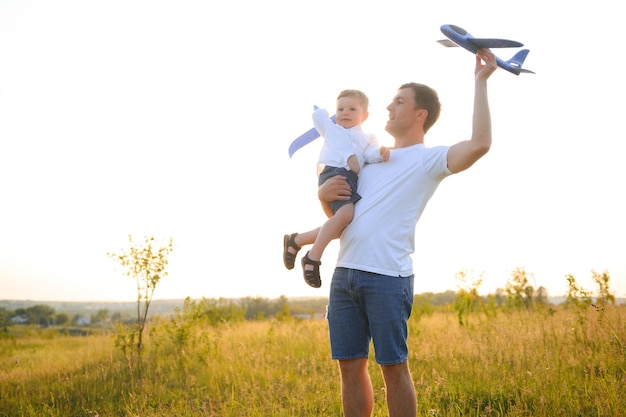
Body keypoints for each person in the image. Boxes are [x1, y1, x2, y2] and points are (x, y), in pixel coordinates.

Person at [297, 49, 498, 416]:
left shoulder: (429, 160)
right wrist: (321, 194)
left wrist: (480, 83)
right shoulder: (371, 157)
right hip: (344, 274)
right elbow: (343, 216)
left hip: (388, 278)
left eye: (399, 102)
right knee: (349, 368)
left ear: (419, 114)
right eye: (390, 100)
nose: (389, 107)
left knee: (393, 368)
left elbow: (480, 143)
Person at [283, 89, 390, 288]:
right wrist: (325, 113)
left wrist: (381, 154)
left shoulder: (367, 138)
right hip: (333, 174)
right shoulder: (332, 130)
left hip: (351, 179)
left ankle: (296, 240)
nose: (345, 113)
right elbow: (317, 117)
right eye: (340, 109)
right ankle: (313, 258)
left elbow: (371, 154)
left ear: (364, 115)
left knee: (343, 226)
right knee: (345, 215)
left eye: (352, 109)